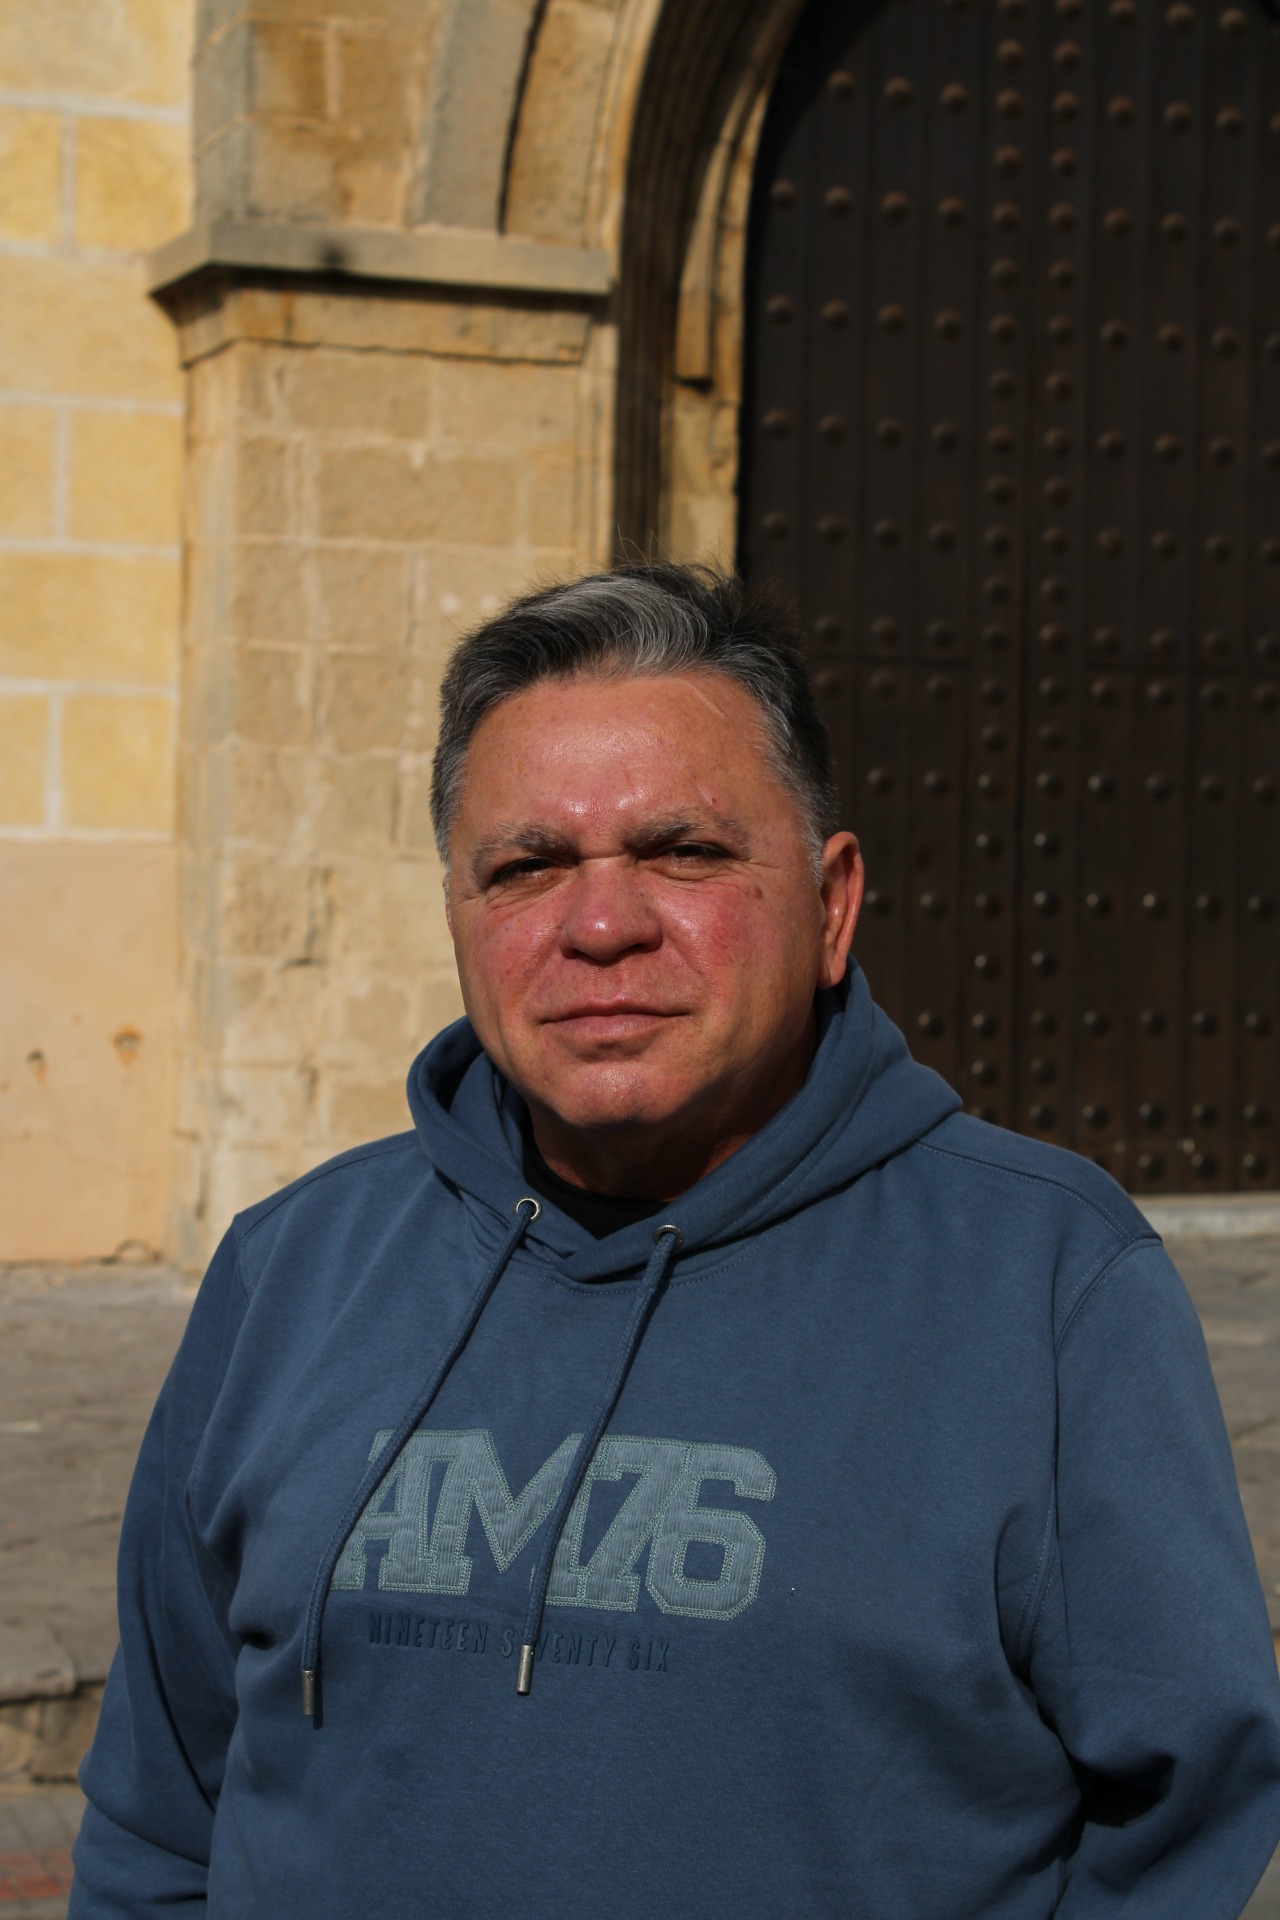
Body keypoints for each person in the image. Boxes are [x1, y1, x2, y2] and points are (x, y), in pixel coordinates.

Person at [71, 565, 1280, 1918]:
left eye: (685, 853)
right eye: (528, 866)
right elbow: (159, 1817)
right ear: (459, 914)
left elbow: (1182, 1814)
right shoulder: (289, 1270)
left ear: (831, 905)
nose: (601, 925)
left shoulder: (1051, 1283)